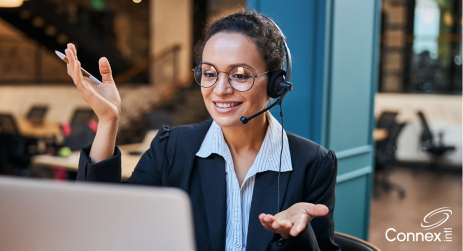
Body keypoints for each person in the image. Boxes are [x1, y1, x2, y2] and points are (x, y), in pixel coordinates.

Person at [66, 10, 340, 251]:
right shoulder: (171, 147)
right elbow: (106, 220)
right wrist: (109, 120)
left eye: (240, 74)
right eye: (210, 73)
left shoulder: (313, 163)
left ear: (275, 85)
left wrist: (295, 237)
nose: (220, 89)